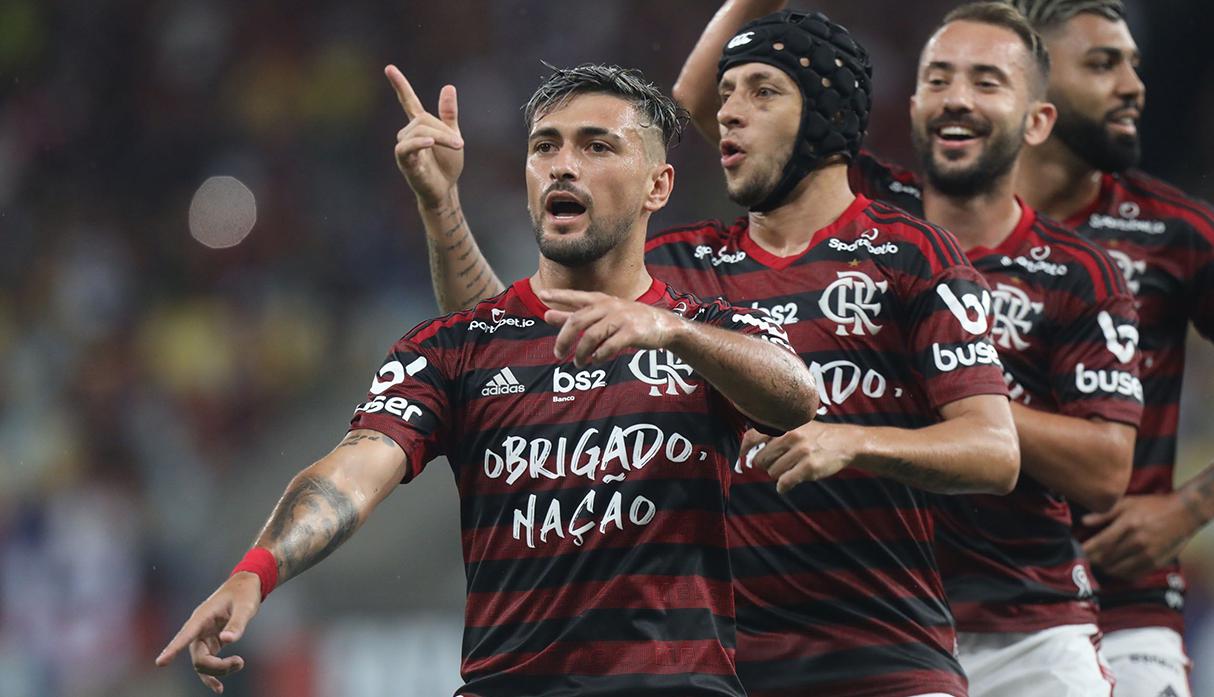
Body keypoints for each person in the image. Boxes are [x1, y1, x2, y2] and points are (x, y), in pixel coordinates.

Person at [404, 10, 1022, 697]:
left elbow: (994, 453)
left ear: (825, 113)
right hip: (720, 670)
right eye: (725, 94)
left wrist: (853, 441)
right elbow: (500, 341)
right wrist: (442, 206)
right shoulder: (678, 267)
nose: (727, 112)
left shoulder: (908, 252)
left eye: (761, 92)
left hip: (881, 657)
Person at [154, 63, 822, 697]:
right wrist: (257, 571)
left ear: (658, 185)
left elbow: (796, 396)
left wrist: (673, 331)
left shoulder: (708, 331)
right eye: (545, 146)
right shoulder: (453, 348)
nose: (563, 164)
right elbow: (354, 470)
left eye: (597, 146)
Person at [763, 3, 1140, 693]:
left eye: (986, 81)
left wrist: (958, 395)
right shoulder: (860, 206)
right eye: (938, 79)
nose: (956, 98)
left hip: (1024, 629)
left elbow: (1106, 469)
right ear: (913, 106)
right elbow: (711, 109)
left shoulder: (1082, 272)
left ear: (1037, 121)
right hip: (867, 624)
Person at [1008, 2, 1214, 695]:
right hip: (955, 604)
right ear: (1028, 88)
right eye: (1103, 64)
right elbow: (720, 115)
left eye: (1133, 65)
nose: (1134, 87)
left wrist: (1189, 508)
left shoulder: (1174, 231)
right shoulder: (935, 221)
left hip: (1122, 607)